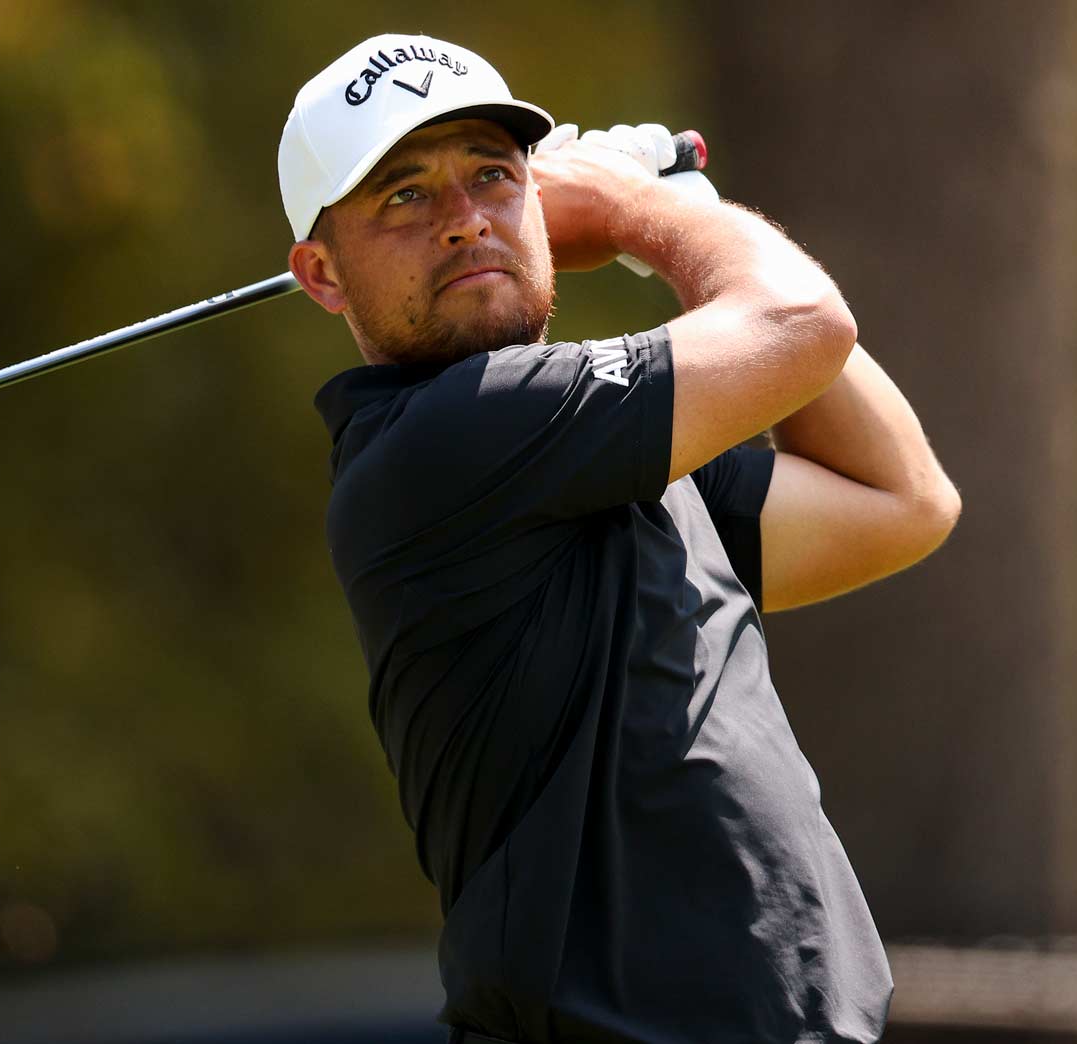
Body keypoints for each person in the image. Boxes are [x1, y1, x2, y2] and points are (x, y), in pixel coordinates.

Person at [279, 34, 961, 1044]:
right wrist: (657, 215)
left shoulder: (606, 459)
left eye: (492, 177)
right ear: (321, 275)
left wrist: (678, 227)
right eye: (403, 197)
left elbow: (902, 498)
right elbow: (802, 319)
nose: (465, 221)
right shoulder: (440, 439)